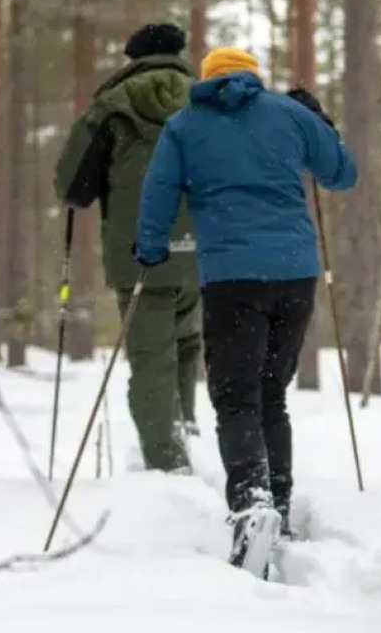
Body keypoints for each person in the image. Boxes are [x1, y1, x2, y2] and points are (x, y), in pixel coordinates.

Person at [134, 46, 357, 577]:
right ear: (253, 77)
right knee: (270, 394)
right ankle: (276, 502)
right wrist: (320, 120)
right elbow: (341, 173)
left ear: (207, 79)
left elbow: (160, 190)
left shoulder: (185, 125)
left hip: (232, 277)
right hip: (295, 273)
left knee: (236, 398)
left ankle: (252, 502)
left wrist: (150, 248)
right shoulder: (289, 113)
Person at [53, 22, 201, 474]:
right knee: (186, 342)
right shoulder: (208, 102)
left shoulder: (112, 106)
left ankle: (168, 464)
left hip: (140, 253)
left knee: (152, 359)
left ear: (133, 58)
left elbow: (72, 187)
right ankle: (188, 436)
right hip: (205, 250)